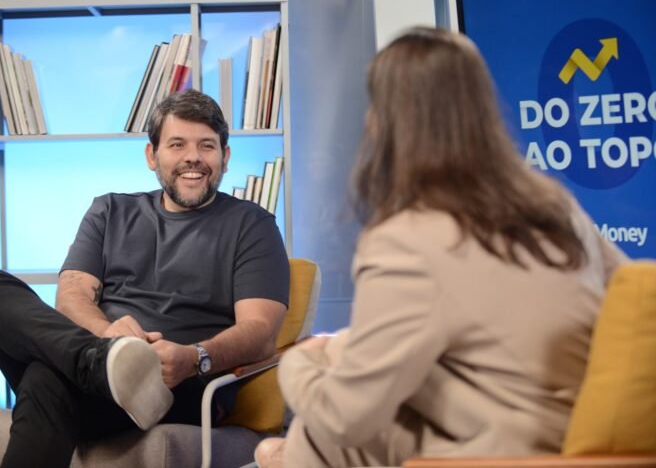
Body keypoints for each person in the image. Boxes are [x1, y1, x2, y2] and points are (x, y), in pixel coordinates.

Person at [254, 27, 627, 467]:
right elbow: (620, 298)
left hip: (499, 454)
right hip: (584, 440)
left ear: (387, 122)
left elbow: (345, 416)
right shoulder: (557, 206)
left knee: (296, 442)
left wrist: (298, 363)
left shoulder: (405, 239)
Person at [0, 89, 290, 468]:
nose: (193, 157)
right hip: (94, 371)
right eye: (177, 144)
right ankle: (99, 363)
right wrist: (107, 337)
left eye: (207, 146)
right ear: (152, 155)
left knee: (43, 379)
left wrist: (193, 358)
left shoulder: (252, 225)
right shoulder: (109, 210)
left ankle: (99, 365)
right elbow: (71, 297)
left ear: (225, 157)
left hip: (175, 386)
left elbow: (261, 332)